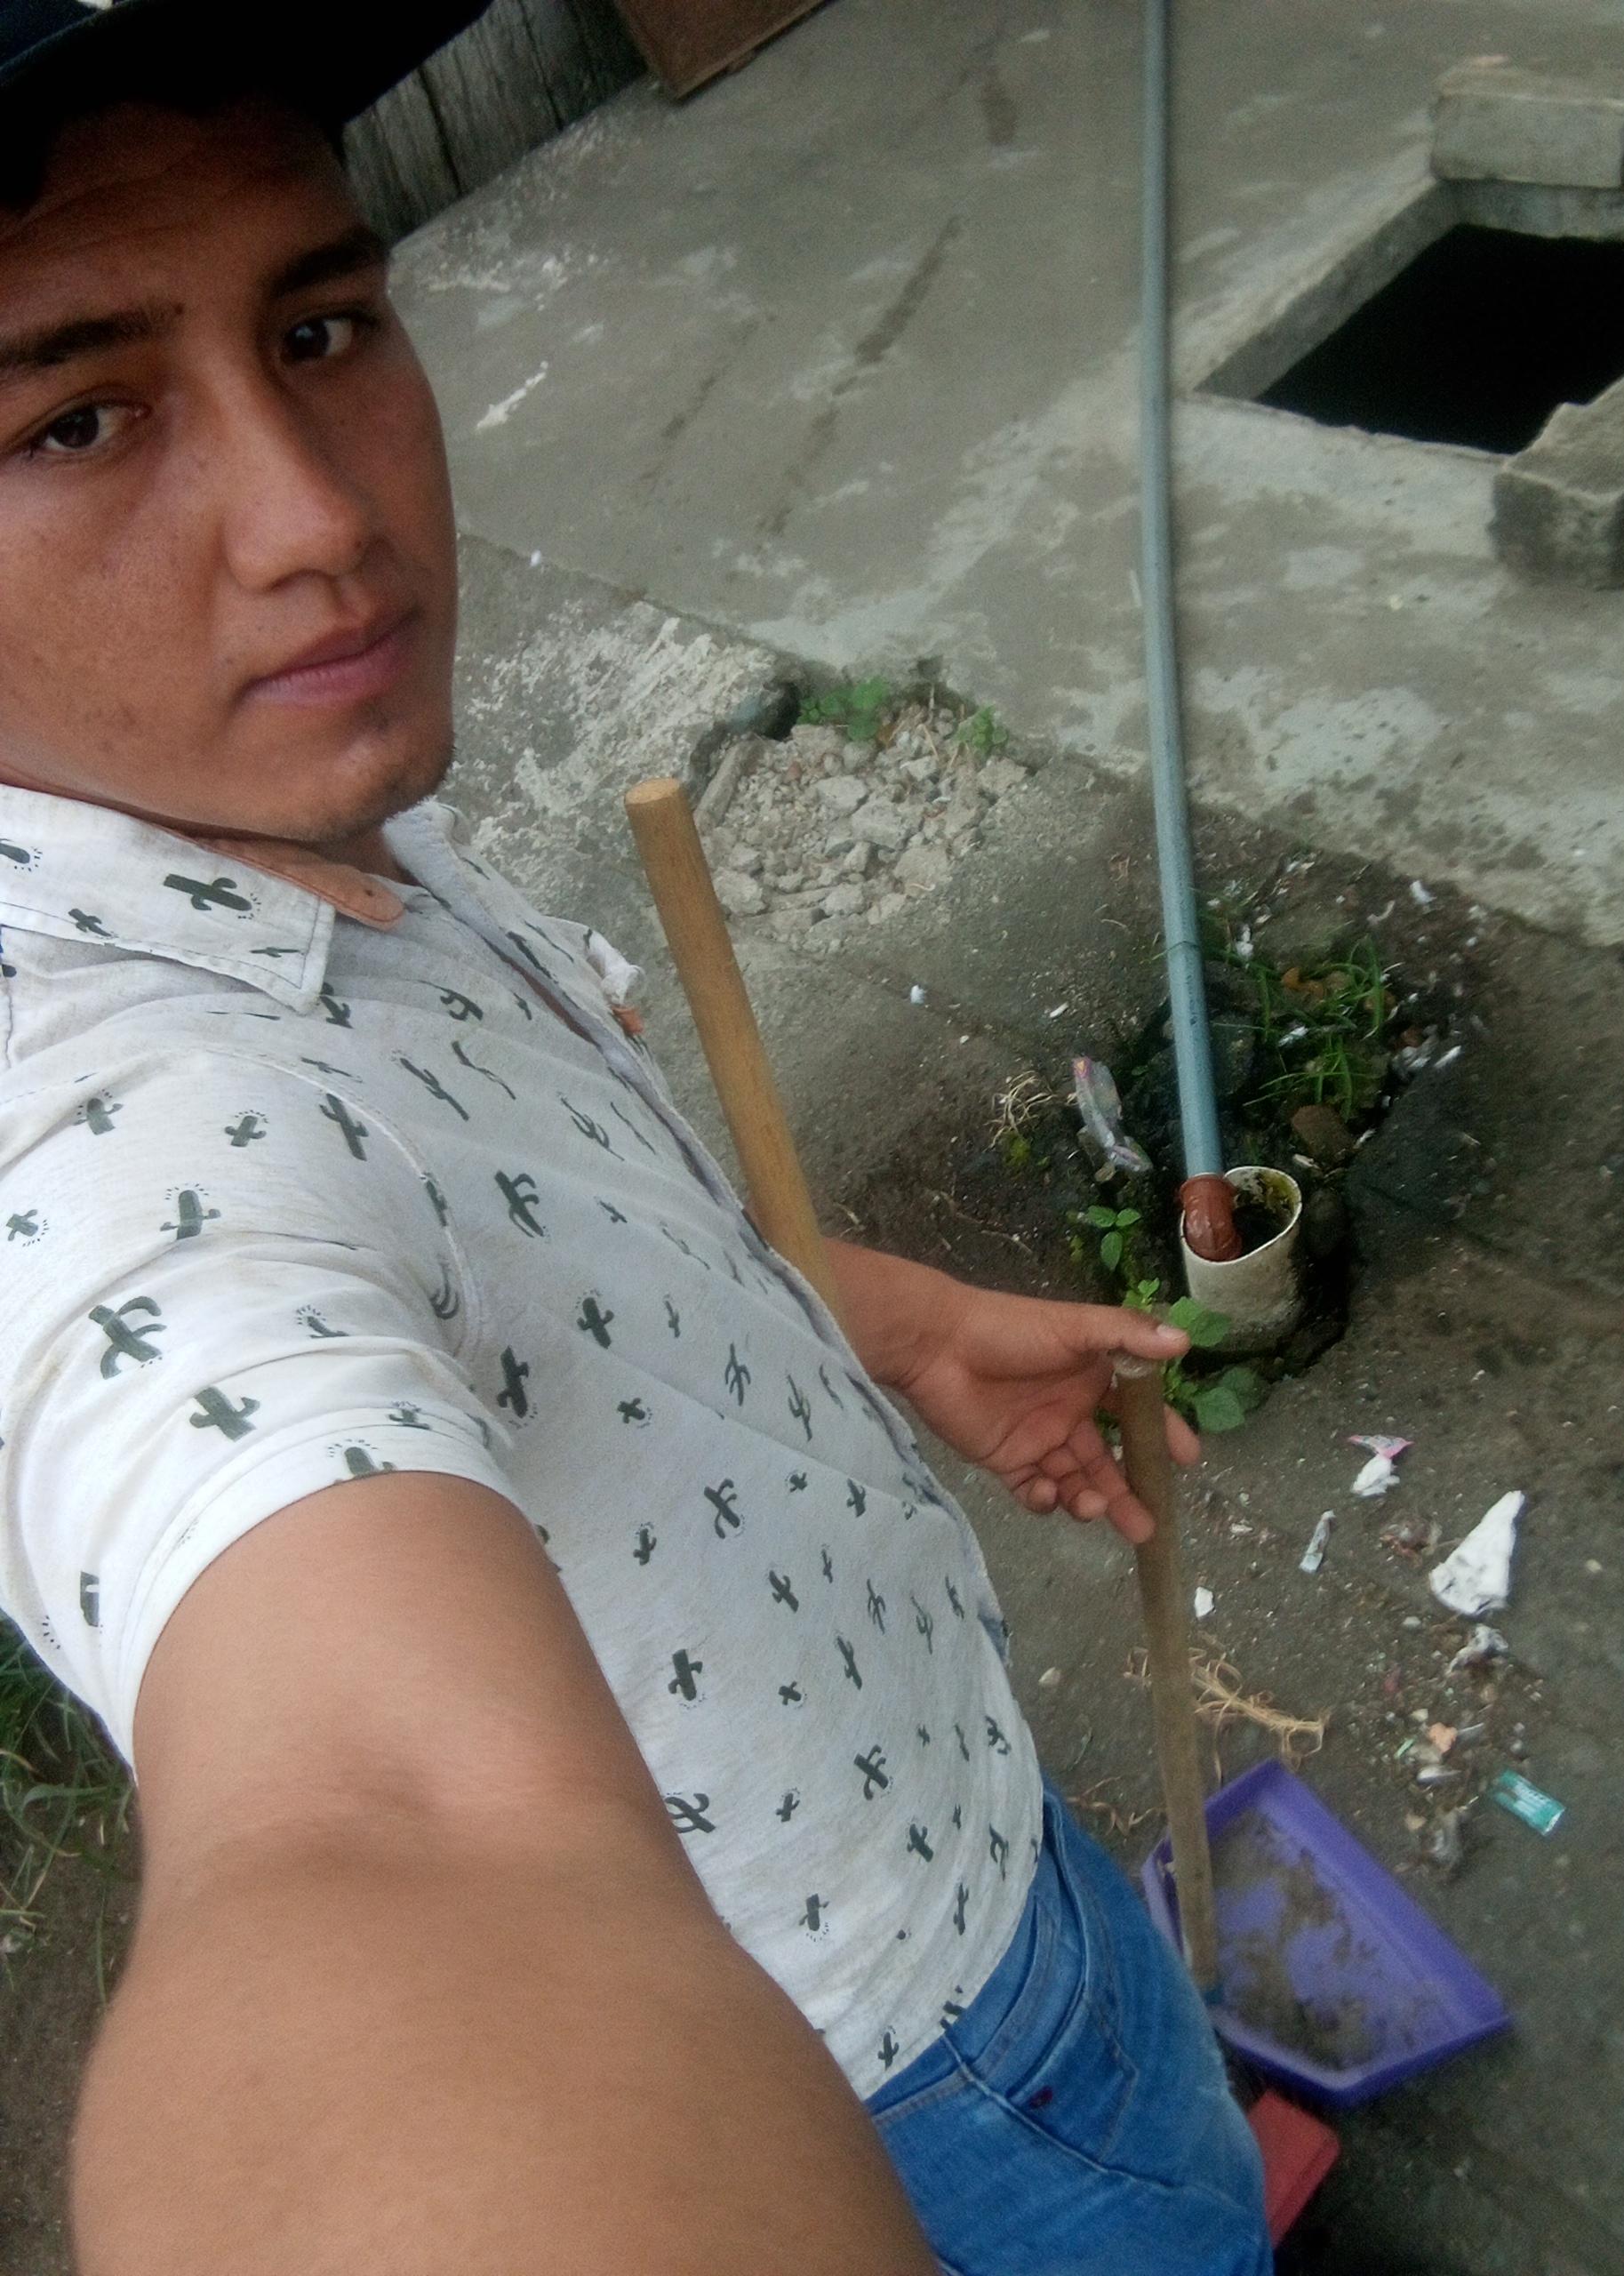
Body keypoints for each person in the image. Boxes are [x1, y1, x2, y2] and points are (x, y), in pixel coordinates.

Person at [0, 7, 1270, 2271]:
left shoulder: (256, 778)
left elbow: (537, 1226)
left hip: (953, 1809)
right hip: (907, 2066)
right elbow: (385, 1836)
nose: (320, 520)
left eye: (317, 326)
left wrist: (877, 1318)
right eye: (76, 417)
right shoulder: (96, 1152)